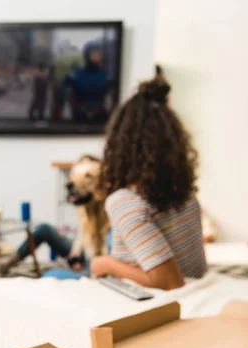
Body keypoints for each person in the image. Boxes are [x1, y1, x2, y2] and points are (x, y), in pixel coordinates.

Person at [90, 71, 207, 290]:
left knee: (57, 272)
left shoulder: (126, 202)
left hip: (140, 301)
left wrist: (106, 264)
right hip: (195, 287)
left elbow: (171, 282)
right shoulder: (184, 192)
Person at [55, 42, 112, 123]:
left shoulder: (106, 76)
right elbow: (61, 96)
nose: (98, 56)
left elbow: (113, 101)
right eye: (95, 53)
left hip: (100, 116)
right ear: (87, 55)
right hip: (78, 115)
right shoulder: (74, 75)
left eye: (99, 53)